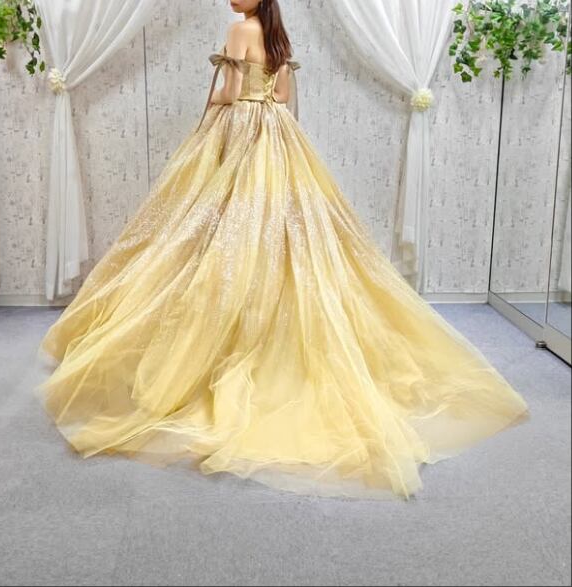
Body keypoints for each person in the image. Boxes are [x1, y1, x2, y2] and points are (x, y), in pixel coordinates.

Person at [37, 0, 529, 500]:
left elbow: (230, 93)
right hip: (278, 133)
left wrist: (211, 115)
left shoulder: (239, 30)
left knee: (218, 227)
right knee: (287, 230)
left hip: (241, 132)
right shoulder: (277, 35)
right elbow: (283, 94)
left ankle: (225, 335)